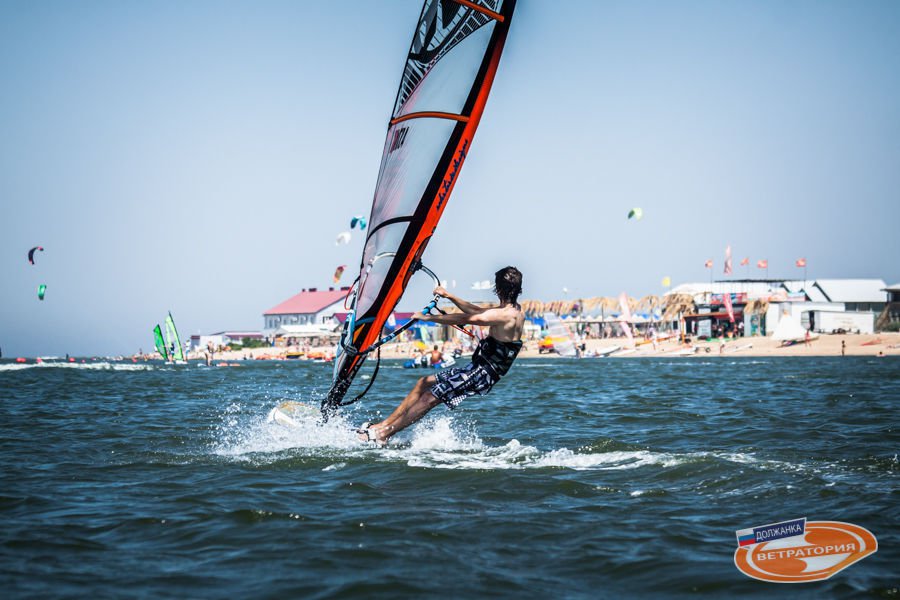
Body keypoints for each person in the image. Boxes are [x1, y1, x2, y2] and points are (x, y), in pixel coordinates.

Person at [357, 266, 525, 444]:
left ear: (498, 288)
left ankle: (384, 434)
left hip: (482, 373)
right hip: (476, 368)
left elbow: (469, 318)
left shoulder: (506, 315)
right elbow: (476, 311)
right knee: (423, 383)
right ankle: (383, 425)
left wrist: (428, 318)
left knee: (429, 398)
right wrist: (449, 296)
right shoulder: (513, 309)